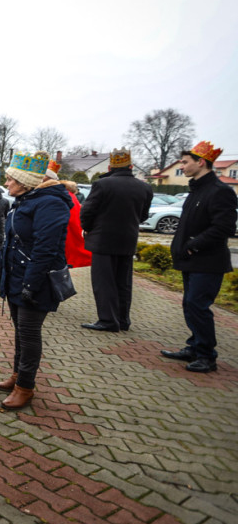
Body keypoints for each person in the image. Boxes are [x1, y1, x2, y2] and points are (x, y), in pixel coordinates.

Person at [0, 151, 71, 410]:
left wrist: (30, 285)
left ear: (24, 182)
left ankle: (26, 386)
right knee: (20, 332)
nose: (6, 184)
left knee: (28, 334)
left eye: (10, 180)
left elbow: (45, 250)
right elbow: (10, 243)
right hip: (17, 278)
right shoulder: (24, 200)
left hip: (37, 282)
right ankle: (17, 377)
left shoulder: (50, 203)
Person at [161, 141, 237, 373]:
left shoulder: (220, 191)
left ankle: (206, 356)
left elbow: (224, 227)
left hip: (208, 261)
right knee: (190, 305)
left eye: (185, 162)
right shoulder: (197, 189)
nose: (182, 166)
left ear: (200, 162)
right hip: (192, 260)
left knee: (197, 305)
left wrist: (194, 245)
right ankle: (194, 347)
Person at [79, 148, 153, 333]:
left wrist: (87, 228)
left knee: (104, 282)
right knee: (123, 282)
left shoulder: (102, 184)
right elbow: (143, 215)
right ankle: (122, 320)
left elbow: (87, 211)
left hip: (103, 240)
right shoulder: (144, 187)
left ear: (111, 166)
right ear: (131, 166)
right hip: (128, 240)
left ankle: (108, 320)